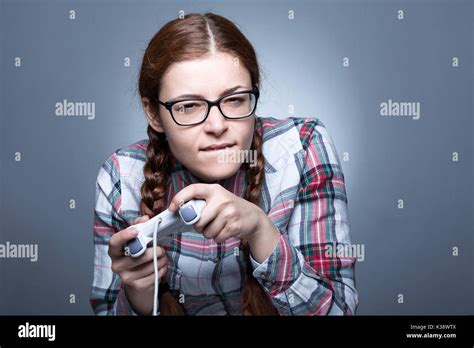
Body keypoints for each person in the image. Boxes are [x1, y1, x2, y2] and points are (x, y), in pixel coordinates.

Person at [90, 12, 358, 316]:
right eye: (189, 105)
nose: (217, 125)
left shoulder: (303, 145)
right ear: (153, 113)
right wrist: (139, 296)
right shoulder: (120, 177)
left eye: (234, 100)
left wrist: (260, 230)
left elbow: (339, 311)